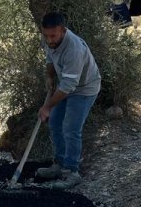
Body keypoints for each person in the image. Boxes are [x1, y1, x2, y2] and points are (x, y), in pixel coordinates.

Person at [34, 12, 101, 190]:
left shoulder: (74, 49)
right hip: (65, 85)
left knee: (71, 129)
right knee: (55, 124)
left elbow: (69, 86)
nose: (49, 40)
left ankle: (72, 172)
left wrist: (47, 107)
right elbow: (50, 57)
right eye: (46, 35)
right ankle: (59, 164)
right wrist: (49, 75)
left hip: (84, 89)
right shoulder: (49, 39)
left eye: (53, 36)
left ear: (63, 31)